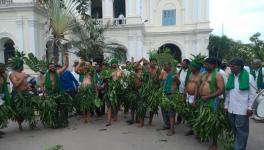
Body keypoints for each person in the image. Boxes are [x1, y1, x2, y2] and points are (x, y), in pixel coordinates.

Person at [225, 58, 256, 150]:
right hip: (231, 109)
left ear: (240, 67)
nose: (231, 67)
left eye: (233, 66)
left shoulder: (249, 77)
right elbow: (228, 93)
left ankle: (239, 148)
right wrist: (226, 105)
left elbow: (253, 94)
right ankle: (240, 146)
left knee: (242, 131)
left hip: (242, 110)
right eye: (230, 65)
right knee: (235, 130)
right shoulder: (231, 77)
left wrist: (250, 107)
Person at [198, 58, 225, 150]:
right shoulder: (203, 74)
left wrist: (208, 97)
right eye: (205, 64)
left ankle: (214, 143)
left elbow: (221, 90)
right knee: (205, 120)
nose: (205, 66)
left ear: (214, 65)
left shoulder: (218, 76)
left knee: (213, 122)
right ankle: (206, 137)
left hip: (212, 101)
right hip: (202, 100)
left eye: (207, 64)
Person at [9, 58, 32, 131]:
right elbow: (16, 85)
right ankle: (20, 124)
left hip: (26, 93)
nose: (23, 67)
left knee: (29, 108)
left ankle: (31, 123)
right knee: (18, 110)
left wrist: (28, 87)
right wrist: (22, 77)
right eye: (22, 65)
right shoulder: (12, 74)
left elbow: (25, 83)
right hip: (17, 95)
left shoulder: (23, 73)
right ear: (18, 66)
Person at [184, 58, 203, 136]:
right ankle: (191, 129)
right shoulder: (191, 74)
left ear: (197, 68)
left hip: (195, 97)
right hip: (189, 96)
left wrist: (195, 99)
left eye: (192, 67)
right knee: (190, 113)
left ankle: (198, 132)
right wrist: (184, 94)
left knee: (196, 114)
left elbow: (198, 88)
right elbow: (187, 84)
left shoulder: (201, 75)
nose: (190, 68)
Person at [159, 62, 177, 136]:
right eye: (163, 66)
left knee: (171, 112)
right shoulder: (163, 73)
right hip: (164, 93)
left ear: (169, 67)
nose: (164, 68)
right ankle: (167, 125)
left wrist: (176, 79)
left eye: (165, 66)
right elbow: (159, 80)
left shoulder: (174, 74)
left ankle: (172, 129)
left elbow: (178, 83)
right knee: (164, 110)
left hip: (171, 95)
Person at [106, 58, 123, 126]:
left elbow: (122, 79)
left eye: (115, 63)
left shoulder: (120, 71)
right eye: (113, 63)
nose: (114, 64)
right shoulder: (108, 71)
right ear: (111, 64)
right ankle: (109, 120)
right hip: (110, 89)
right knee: (109, 105)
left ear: (117, 64)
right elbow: (105, 79)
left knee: (116, 104)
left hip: (118, 90)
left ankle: (115, 115)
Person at [178, 59, 191, 124]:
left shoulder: (190, 71)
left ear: (187, 64)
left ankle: (186, 120)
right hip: (180, 91)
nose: (182, 65)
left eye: (184, 64)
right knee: (180, 106)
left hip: (186, 92)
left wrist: (185, 92)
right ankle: (179, 119)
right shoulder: (180, 70)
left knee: (186, 106)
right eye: (182, 63)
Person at [0, 63, 11, 138]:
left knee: (1, 115)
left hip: (2, 98)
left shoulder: (3, 76)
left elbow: (4, 86)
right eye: (3, 68)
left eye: (4, 68)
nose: (4, 69)